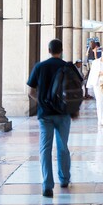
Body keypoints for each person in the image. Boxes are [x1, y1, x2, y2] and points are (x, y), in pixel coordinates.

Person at [27, 39, 75, 197]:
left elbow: (31, 91)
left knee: (45, 148)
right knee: (63, 146)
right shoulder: (67, 67)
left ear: (48, 50)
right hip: (63, 113)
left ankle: (47, 185)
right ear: (61, 50)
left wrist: (41, 102)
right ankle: (64, 178)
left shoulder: (40, 67)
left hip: (45, 114)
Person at [87, 46, 103, 127]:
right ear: (101, 53)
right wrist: (101, 73)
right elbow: (93, 73)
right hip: (98, 83)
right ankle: (100, 119)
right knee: (99, 102)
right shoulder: (95, 62)